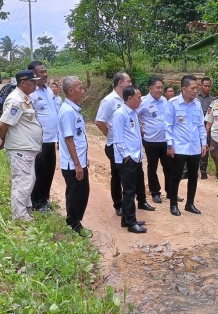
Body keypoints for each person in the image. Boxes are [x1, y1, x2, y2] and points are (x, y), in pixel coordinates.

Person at [95, 72, 155, 216]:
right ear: (120, 83)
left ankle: (141, 200)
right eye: (128, 81)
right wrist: (109, 134)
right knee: (118, 175)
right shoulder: (109, 100)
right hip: (115, 145)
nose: (130, 82)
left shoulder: (128, 100)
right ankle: (119, 205)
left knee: (138, 172)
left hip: (130, 146)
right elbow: (99, 121)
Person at [0, 70, 42, 221]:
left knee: (29, 179)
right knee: (23, 180)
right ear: (23, 83)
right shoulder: (16, 100)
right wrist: (2, 138)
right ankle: (19, 215)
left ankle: (25, 210)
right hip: (20, 148)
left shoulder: (25, 98)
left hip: (26, 148)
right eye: (33, 82)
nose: (35, 84)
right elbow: (3, 124)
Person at [165, 74, 208, 216]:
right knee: (175, 176)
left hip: (194, 147)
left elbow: (201, 126)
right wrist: (170, 145)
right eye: (193, 88)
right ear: (184, 89)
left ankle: (190, 203)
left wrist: (203, 143)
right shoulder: (173, 103)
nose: (196, 91)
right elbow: (168, 126)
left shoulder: (197, 104)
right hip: (179, 147)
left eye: (196, 88)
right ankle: (173, 204)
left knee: (193, 176)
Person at [136, 76, 182, 204]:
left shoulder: (165, 101)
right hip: (151, 141)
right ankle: (155, 192)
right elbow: (133, 114)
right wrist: (139, 126)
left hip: (166, 140)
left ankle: (171, 192)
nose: (160, 90)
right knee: (153, 167)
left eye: (161, 87)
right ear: (150, 88)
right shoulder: (143, 101)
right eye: (157, 87)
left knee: (169, 167)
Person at [58, 76, 92, 238]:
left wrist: (84, 159)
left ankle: (76, 222)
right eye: (80, 88)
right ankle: (73, 224)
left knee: (83, 192)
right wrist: (78, 164)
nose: (83, 90)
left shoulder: (74, 109)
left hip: (79, 161)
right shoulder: (67, 112)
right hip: (73, 165)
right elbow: (69, 139)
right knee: (75, 194)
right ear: (71, 91)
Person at [113, 86, 149, 233]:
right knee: (129, 191)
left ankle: (127, 219)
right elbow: (118, 138)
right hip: (127, 159)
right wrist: (126, 156)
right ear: (129, 98)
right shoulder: (120, 114)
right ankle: (131, 222)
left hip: (135, 156)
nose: (140, 100)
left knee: (132, 190)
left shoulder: (133, 113)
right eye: (138, 97)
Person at [28, 61, 60, 212]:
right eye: (41, 72)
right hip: (39, 140)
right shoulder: (30, 93)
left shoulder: (48, 91)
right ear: (32, 74)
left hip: (52, 139)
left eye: (45, 71)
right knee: (39, 172)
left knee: (49, 170)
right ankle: (36, 203)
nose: (45, 74)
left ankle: (44, 200)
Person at [196, 77, 216, 180]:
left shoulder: (213, 100)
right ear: (201, 86)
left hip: (207, 125)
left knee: (205, 147)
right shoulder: (195, 98)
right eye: (205, 85)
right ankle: (188, 171)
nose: (207, 88)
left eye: (209, 86)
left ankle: (203, 171)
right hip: (195, 126)